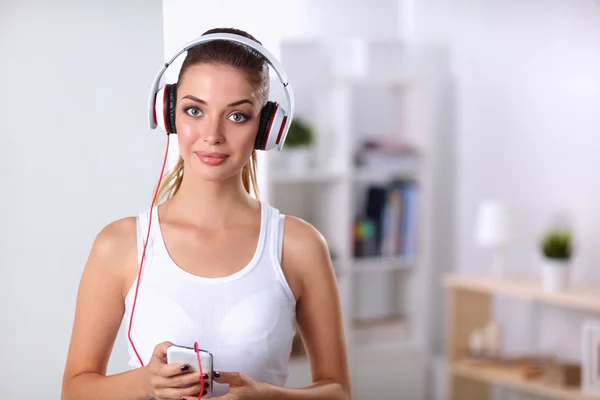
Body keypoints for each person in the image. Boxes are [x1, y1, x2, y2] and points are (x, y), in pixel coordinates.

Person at [61, 27, 351, 400]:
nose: (211, 134)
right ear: (168, 114)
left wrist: (268, 396)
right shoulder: (118, 245)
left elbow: (339, 391)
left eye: (237, 116)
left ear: (265, 128)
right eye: (194, 110)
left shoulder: (299, 245)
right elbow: (74, 390)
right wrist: (145, 382)